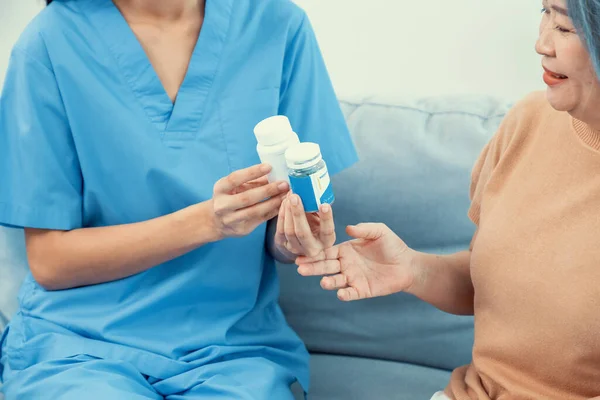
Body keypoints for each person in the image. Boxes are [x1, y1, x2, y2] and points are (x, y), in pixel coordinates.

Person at [0, 0, 357, 399]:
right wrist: (207, 222)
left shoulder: (277, 25)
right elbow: (50, 261)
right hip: (81, 347)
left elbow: (284, 223)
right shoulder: (49, 43)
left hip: (233, 351)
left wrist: (294, 238)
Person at [296, 0, 600, 399]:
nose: (542, 43)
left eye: (565, 26)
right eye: (544, 13)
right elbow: (493, 287)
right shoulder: (529, 121)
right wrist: (412, 269)